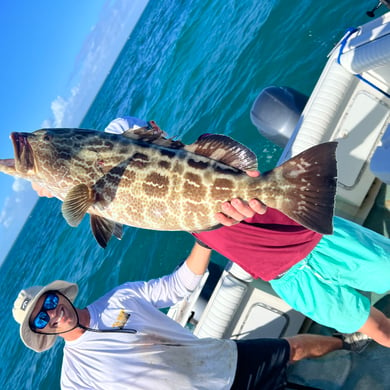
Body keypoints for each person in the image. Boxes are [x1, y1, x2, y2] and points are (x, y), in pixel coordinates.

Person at [32, 116, 390, 349]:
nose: (130, 169)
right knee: (377, 329)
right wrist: (51, 182)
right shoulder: (151, 203)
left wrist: (259, 195)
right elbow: (90, 197)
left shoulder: (204, 162)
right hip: (285, 278)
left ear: (155, 132)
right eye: (115, 165)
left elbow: (247, 177)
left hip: (315, 241)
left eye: (142, 140)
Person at [13, 242, 362, 390]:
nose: (52, 313)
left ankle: (347, 341)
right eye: (41, 319)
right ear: (43, 332)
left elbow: (177, 286)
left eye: (48, 302)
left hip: (224, 359)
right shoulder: (73, 378)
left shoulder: (121, 297)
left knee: (293, 350)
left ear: (58, 295)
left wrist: (204, 237)